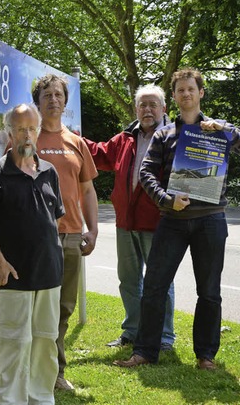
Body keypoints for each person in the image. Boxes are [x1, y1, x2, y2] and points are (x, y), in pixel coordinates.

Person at [115, 68, 240, 370]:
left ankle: (206, 355)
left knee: (208, 291)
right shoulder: (164, 134)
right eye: (180, 90)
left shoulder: (217, 130)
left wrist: (222, 128)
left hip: (210, 220)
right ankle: (145, 351)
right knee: (155, 286)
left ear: (201, 93)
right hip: (171, 220)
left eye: (191, 89)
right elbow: (145, 173)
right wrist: (166, 199)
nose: (186, 94)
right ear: (174, 97)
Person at [0, 103, 65, 405]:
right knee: (14, 343)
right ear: (10, 132)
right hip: (12, 273)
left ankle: (41, 398)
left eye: (32, 129)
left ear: (38, 131)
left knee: (46, 342)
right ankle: (8, 401)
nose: (27, 135)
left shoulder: (49, 172)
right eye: (21, 129)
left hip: (49, 274)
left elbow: (55, 218)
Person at [83, 84, 176, 350]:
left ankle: (164, 337)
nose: (147, 110)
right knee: (128, 280)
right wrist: (74, 138)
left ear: (163, 108)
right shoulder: (125, 138)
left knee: (160, 283)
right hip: (126, 223)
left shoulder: (174, 137)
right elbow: (100, 154)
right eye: (142, 105)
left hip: (158, 223)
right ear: (136, 108)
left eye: (153, 105)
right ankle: (132, 332)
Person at [32, 74, 99, 391]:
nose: (53, 100)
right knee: (36, 308)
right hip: (36, 238)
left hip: (72, 235)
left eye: (58, 95)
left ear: (65, 101)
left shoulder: (77, 143)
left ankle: (55, 374)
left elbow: (87, 190)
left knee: (63, 308)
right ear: (38, 102)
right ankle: (34, 371)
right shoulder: (26, 140)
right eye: (47, 95)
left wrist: (93, 230)